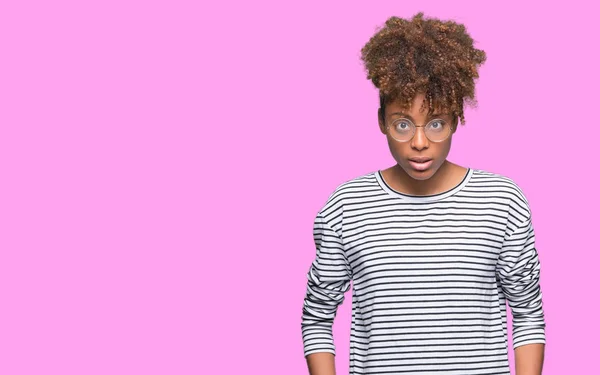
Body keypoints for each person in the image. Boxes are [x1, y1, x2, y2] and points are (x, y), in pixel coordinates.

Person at [300, 12, 546, 375]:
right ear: (381, 121)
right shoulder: (346, 206)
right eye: (402, 124)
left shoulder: (501, 201)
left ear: (455, 120)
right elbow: (317, 317)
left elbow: (527, 313)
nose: (419, 142)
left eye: (435, 123)